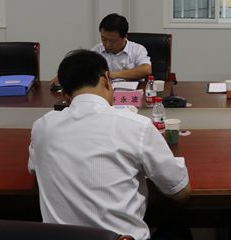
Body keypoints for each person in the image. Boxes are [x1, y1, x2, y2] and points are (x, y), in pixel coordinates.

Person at [30, 50, 191, 239]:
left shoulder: (42, 126)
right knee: (178, 227)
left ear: (65, 95)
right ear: (106, 80)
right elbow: (180, 191)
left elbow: (34, 171)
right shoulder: (136, 125)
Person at [51, 13, 151, 86]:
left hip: (132, 95)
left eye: (112, 41)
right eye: (103, 39)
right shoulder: (97, 50)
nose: (107, 44)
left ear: (124, 37)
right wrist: (64, 75)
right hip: (104, 95)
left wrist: (113, 74)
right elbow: (81, 67)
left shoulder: (137, 49)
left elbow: (146, 69)